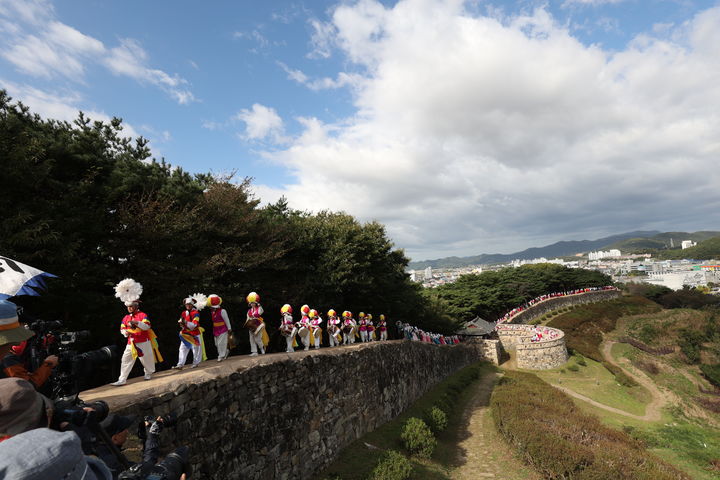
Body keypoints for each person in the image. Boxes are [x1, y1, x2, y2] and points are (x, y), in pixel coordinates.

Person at [111, 279, 163, 386]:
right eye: (128, 307)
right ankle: (122, 379)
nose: (129, 308)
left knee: (146, 359)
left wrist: (136, 322)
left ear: (136, 306)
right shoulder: (125, 317)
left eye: (131, 306)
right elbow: (122, 329)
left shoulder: (142, 315)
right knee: (125, 359)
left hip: (143, 341)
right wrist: (125, 333)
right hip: (131, 343)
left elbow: (147, 326)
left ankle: (148, 373)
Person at [172, 296, 206, 370]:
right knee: (182, 348)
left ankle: (195, 363)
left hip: (195, 333)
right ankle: (180, 364)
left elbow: (194, 325)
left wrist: (185, 322)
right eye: (186, 304)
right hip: (186, 334)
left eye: (189, 304)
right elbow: (182, 323)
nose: (188, 305)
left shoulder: (196, 313)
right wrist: (181, 324)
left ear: (192, 304)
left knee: (195, 349)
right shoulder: (183, 313)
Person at [208, 294, 233, 361]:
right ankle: (226, 351)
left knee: (221, 343)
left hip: (223, 329)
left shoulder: (223, 311)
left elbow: (226, 320)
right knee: (216, 344)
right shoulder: (212, 312)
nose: (211, 308)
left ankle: (221, 356)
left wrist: (229, 328)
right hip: (216, 329)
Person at [245, 292, 268, 356]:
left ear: (255, 303)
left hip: (259, 325)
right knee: (251, 338)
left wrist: (259, 305)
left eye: (253, 303)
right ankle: (254, 351)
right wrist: (248, 324)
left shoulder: (259, 309)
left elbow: (261, 311)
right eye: (251, 303)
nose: (252, 304)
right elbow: (247, 318)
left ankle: (262, 349)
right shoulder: (249, 311)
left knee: (257, 339)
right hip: (251, 325)